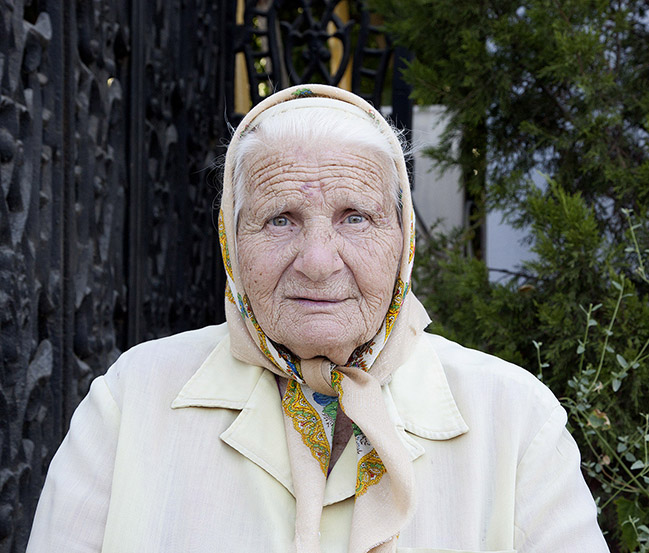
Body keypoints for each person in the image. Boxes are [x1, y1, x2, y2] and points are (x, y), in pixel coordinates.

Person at [26, 84, 609, 553]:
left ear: (402, 239)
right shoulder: (132, 400)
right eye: (280, 219)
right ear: (232, 240)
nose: (317, 261)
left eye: (355, 217)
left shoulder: (515, 419)